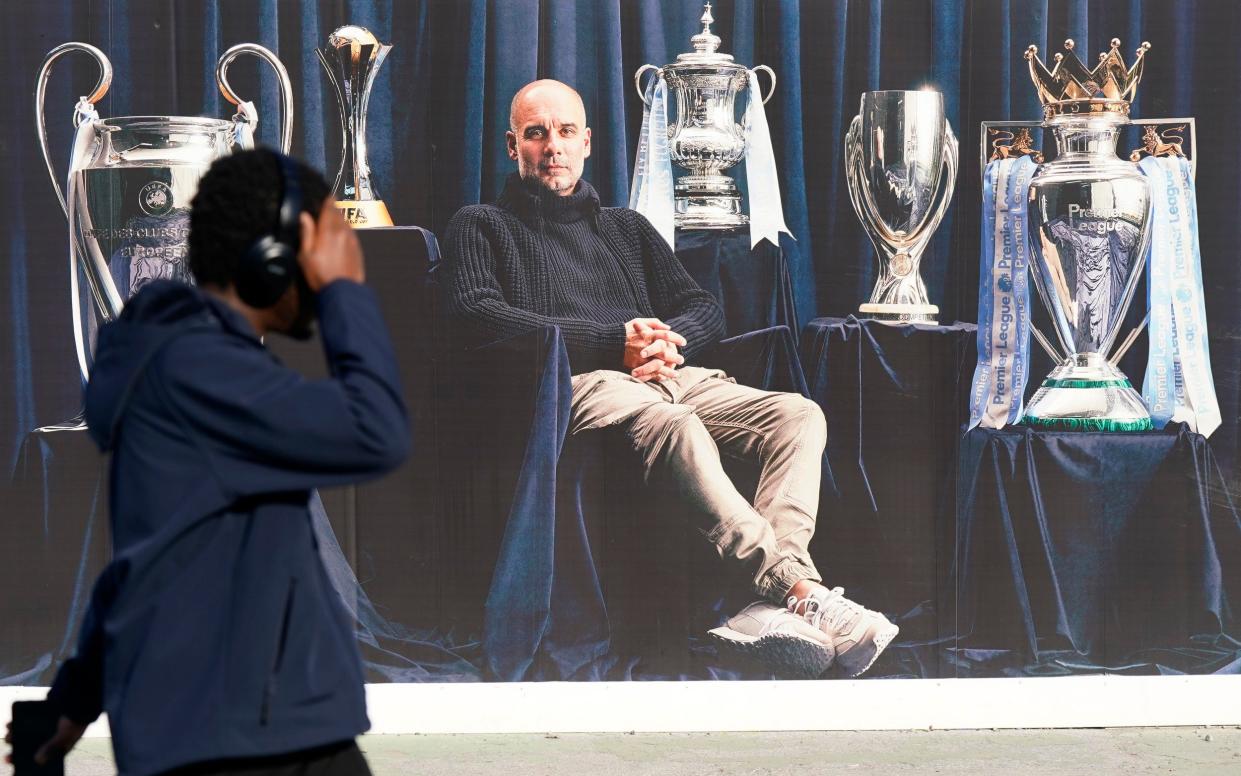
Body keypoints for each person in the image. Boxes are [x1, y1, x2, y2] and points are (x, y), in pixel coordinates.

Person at [443, 79, 898, 679]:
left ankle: (765, 607)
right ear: (512, 146)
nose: (551, 145)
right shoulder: (480, 225)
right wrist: (616, 345)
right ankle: (793, 588)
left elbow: (704, 306)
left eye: (564, 132)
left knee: (798, 416)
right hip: (576, 384)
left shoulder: (626, 228)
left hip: (666, 372)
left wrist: (660, 341)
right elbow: (478, 315)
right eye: (536, 133)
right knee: (676, 424)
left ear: (587, 142)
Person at [21, 150, 409, 775]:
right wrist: (345, 291)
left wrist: (72, 701)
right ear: (270, 260)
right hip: (248, 733)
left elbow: (149, 562)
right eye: (319, 249)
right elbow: (377, 432)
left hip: (245, 723)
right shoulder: (204, 374)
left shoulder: (177, 363)